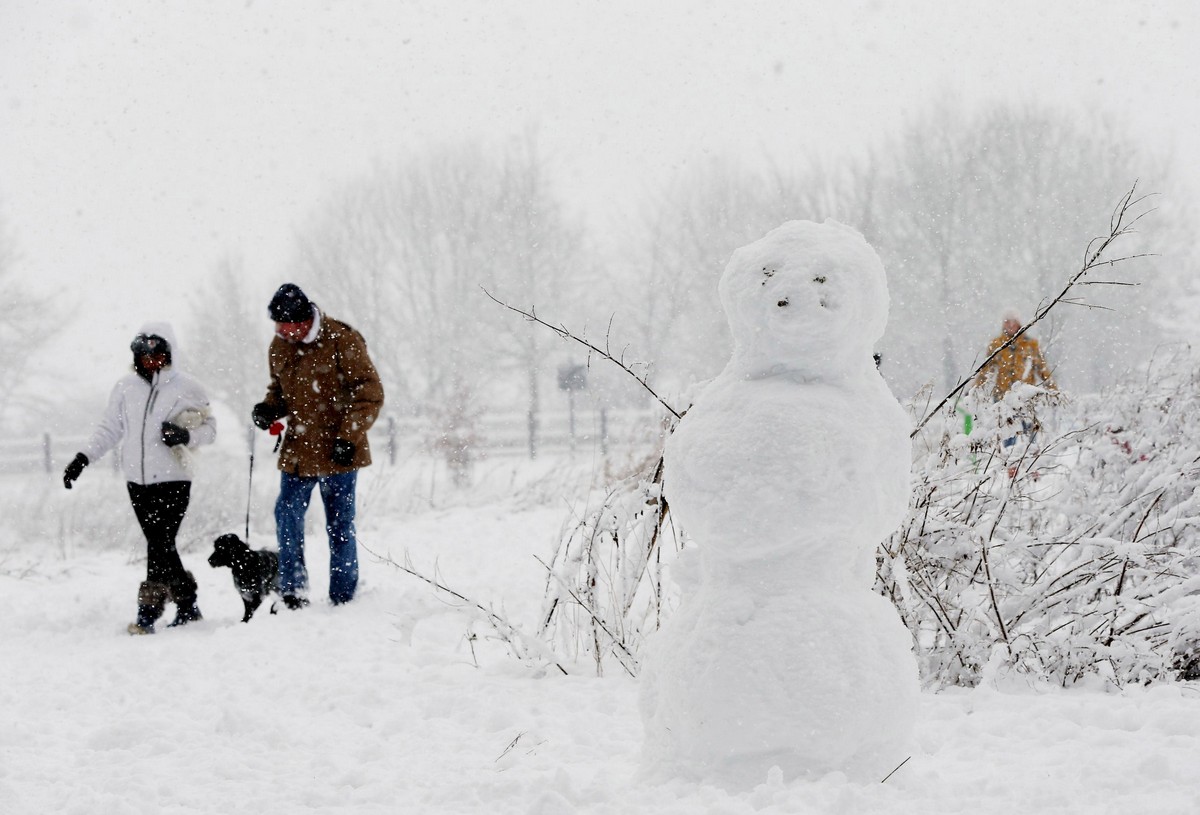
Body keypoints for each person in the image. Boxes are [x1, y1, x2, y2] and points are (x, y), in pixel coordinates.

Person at [63, 323, 217, 634]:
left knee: (159, 542)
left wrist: (186, 435)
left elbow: (211, 430)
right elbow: (109, 429)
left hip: (174, 479)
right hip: (137, 482)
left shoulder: (188, 387)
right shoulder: (124, 388)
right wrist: (83, 458)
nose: (150, 360)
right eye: (143, 355)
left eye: (157, 354)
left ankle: (147, 613)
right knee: (160, 543)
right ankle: (187, 605)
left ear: (169, 353)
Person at [252, 284, 384, 609]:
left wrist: (347, 438)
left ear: (302, 321)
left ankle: (343, 595)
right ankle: (293, 591)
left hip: (340, 451)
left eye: (283, 325)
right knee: (287, 516)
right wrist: (269, 407)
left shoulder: (342, 339)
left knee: (339, 524)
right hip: (297, 451)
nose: (279, 332)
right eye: (277, 327)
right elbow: (280, 391)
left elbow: (369, 392)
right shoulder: (279, 346)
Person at [974, 311, 1055, 399]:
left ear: (1019, 323)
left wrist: (1053, 391)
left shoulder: (1031, 345)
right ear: (1003, 324)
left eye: (1014, 321)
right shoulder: (996, 344)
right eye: (1007, 322)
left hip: (1025, 397)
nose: (1011, 325)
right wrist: (975, 389)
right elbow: (986, 370)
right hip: (1002, 397)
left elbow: (1042, 370)